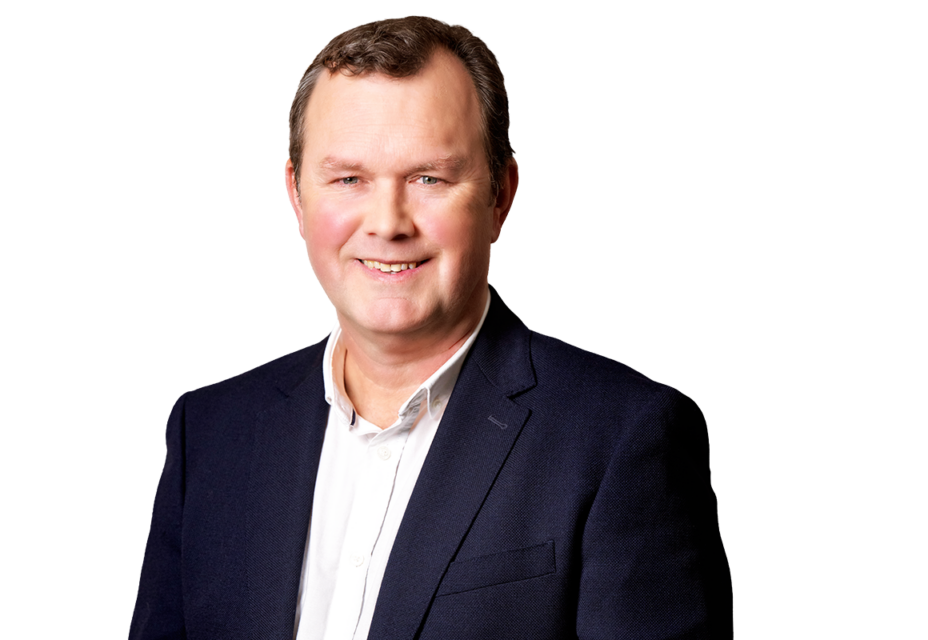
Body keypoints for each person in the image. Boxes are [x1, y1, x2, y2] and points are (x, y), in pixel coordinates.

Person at [130, 16, 732, 639]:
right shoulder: (208, 432)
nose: (388, 223)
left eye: (429, 179)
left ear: (501, 196)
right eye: (349, 179)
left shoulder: (622, 439)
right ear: (296, 195)